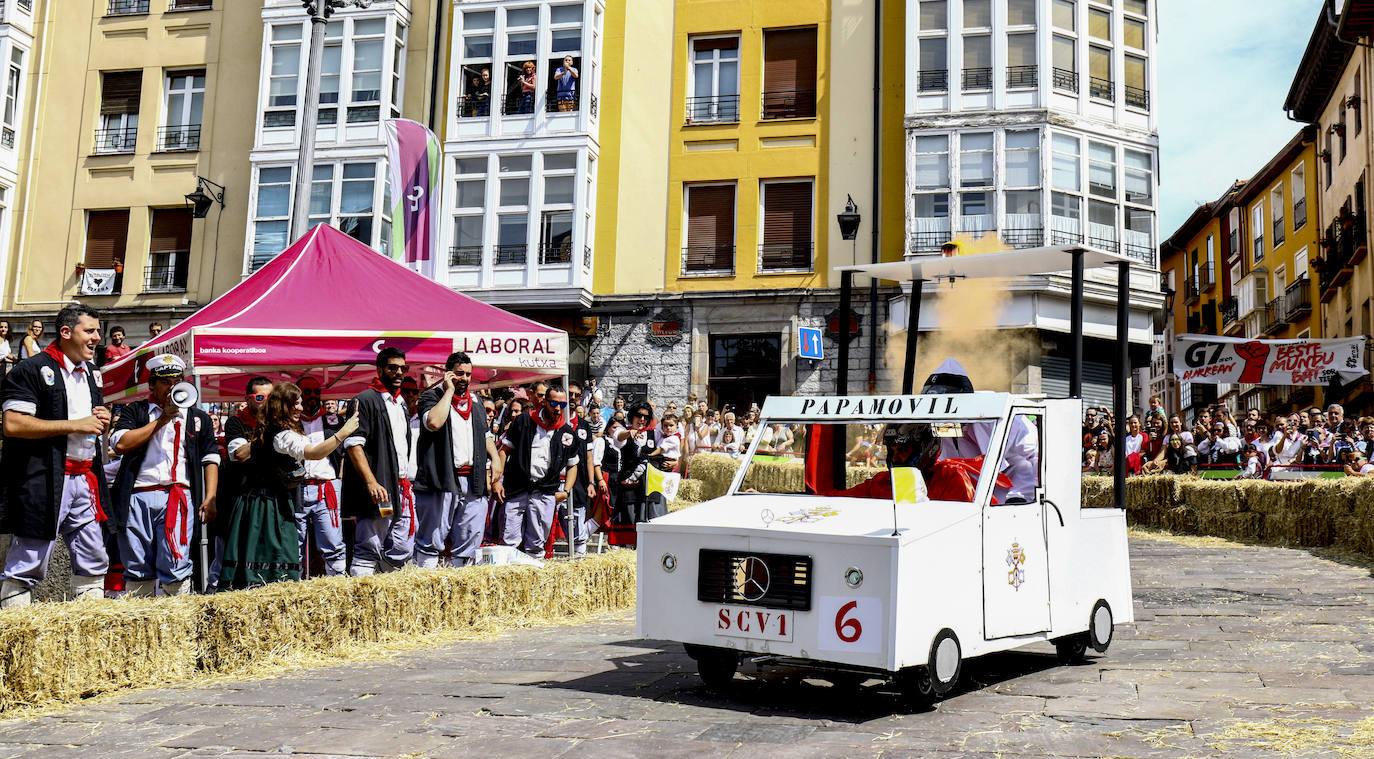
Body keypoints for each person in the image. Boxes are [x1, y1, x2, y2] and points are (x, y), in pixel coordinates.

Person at [0, 303, 111, 607]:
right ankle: (15, 635)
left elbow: (90, 424)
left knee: (94, 559)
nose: (96, 338)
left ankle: (91, 632)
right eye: (89, 331)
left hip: (86, 479)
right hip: (46, 479)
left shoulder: (92, 374)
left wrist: (103, 419)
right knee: (29, 560)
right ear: (65, 332)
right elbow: (13, 424)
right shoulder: (31, 369)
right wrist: (76, 424)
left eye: (98, 332)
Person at [108, 354, 218, 597]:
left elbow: (210, 459)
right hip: (137, 496)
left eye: (177, 380)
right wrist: (162, 419)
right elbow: (121, 444)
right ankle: (142, 621)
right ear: (152, 385)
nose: (172, 387)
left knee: (176, 563)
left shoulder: (198, 417)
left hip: (178, 497)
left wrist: (210, 497)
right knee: (137, 566)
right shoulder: (136, 410)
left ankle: (176, 619)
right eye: (166, 382)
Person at [415, 352, 503, 568]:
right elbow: (434, 422)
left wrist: (496, 459)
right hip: (442, 479)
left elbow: (485, 435)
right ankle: (427, 586)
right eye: (459, 374)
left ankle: (461, 587)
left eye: (468, 375)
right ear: (447, 374)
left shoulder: (476, 402)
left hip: (473, 479)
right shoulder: (431, 397)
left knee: (470, 541)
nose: (464, 378)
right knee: (432, 539)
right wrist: (449, 391)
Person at [342, 347, 416, 575]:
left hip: (401, 487)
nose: (399, 372)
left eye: (403, 368)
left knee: (402, 548)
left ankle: (387, 594)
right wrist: (372, 482)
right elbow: (353, 445)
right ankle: (363, 597)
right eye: (392, 367)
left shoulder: (401, 403)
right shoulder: (364, 400)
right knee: (369, 546)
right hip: (380, 486)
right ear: (380, 369)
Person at [821, 424, 1009, 502]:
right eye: (891, 451)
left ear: (928, 449)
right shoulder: (882, 481)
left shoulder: (951, 478)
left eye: (902, 451)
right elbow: (841, 498)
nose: (895, 459)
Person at [498, 384, 580, 557]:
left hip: (545, 491)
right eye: (554, 404)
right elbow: (504, 452)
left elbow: (573, 465)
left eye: (563, 405)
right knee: (509, 539)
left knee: (536, 543)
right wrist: (497, 480)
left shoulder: (567, 432)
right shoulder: (524, 421)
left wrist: (566, 491)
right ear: (544, 402)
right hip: (517, 487)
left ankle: (533, 576)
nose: (558, 408)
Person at [212, 376, 272, 588]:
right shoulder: (235, 422)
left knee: (262, 556)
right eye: (259, 396)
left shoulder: (278, 423)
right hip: (237, 498)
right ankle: (216, 592)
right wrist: (268, 434)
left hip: (267, 499)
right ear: (248, 399)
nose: (265, 401)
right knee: (228, 554)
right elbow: (239, 454)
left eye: (270, 396)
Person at [293, 376, 348, 576]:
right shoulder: (290, 421)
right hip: (296, 489)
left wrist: (339, 479)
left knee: (333, 543)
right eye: (307, 392)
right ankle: (293, 590)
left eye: (317, 392)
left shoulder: (332, 420)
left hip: (327, 489)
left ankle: (337, 588)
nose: (313, 397)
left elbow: (343, 453)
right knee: (294, 546)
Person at [560, 381, 597, 556]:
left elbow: (589, 456)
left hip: (580, 483)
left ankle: (578, 557)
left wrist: (591, 481)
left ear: (581, 398)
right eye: (570, 394)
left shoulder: (584, 426)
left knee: (577, 524)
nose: (573, 398)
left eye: (576, 395)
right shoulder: (557, 421)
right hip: (556, 481)